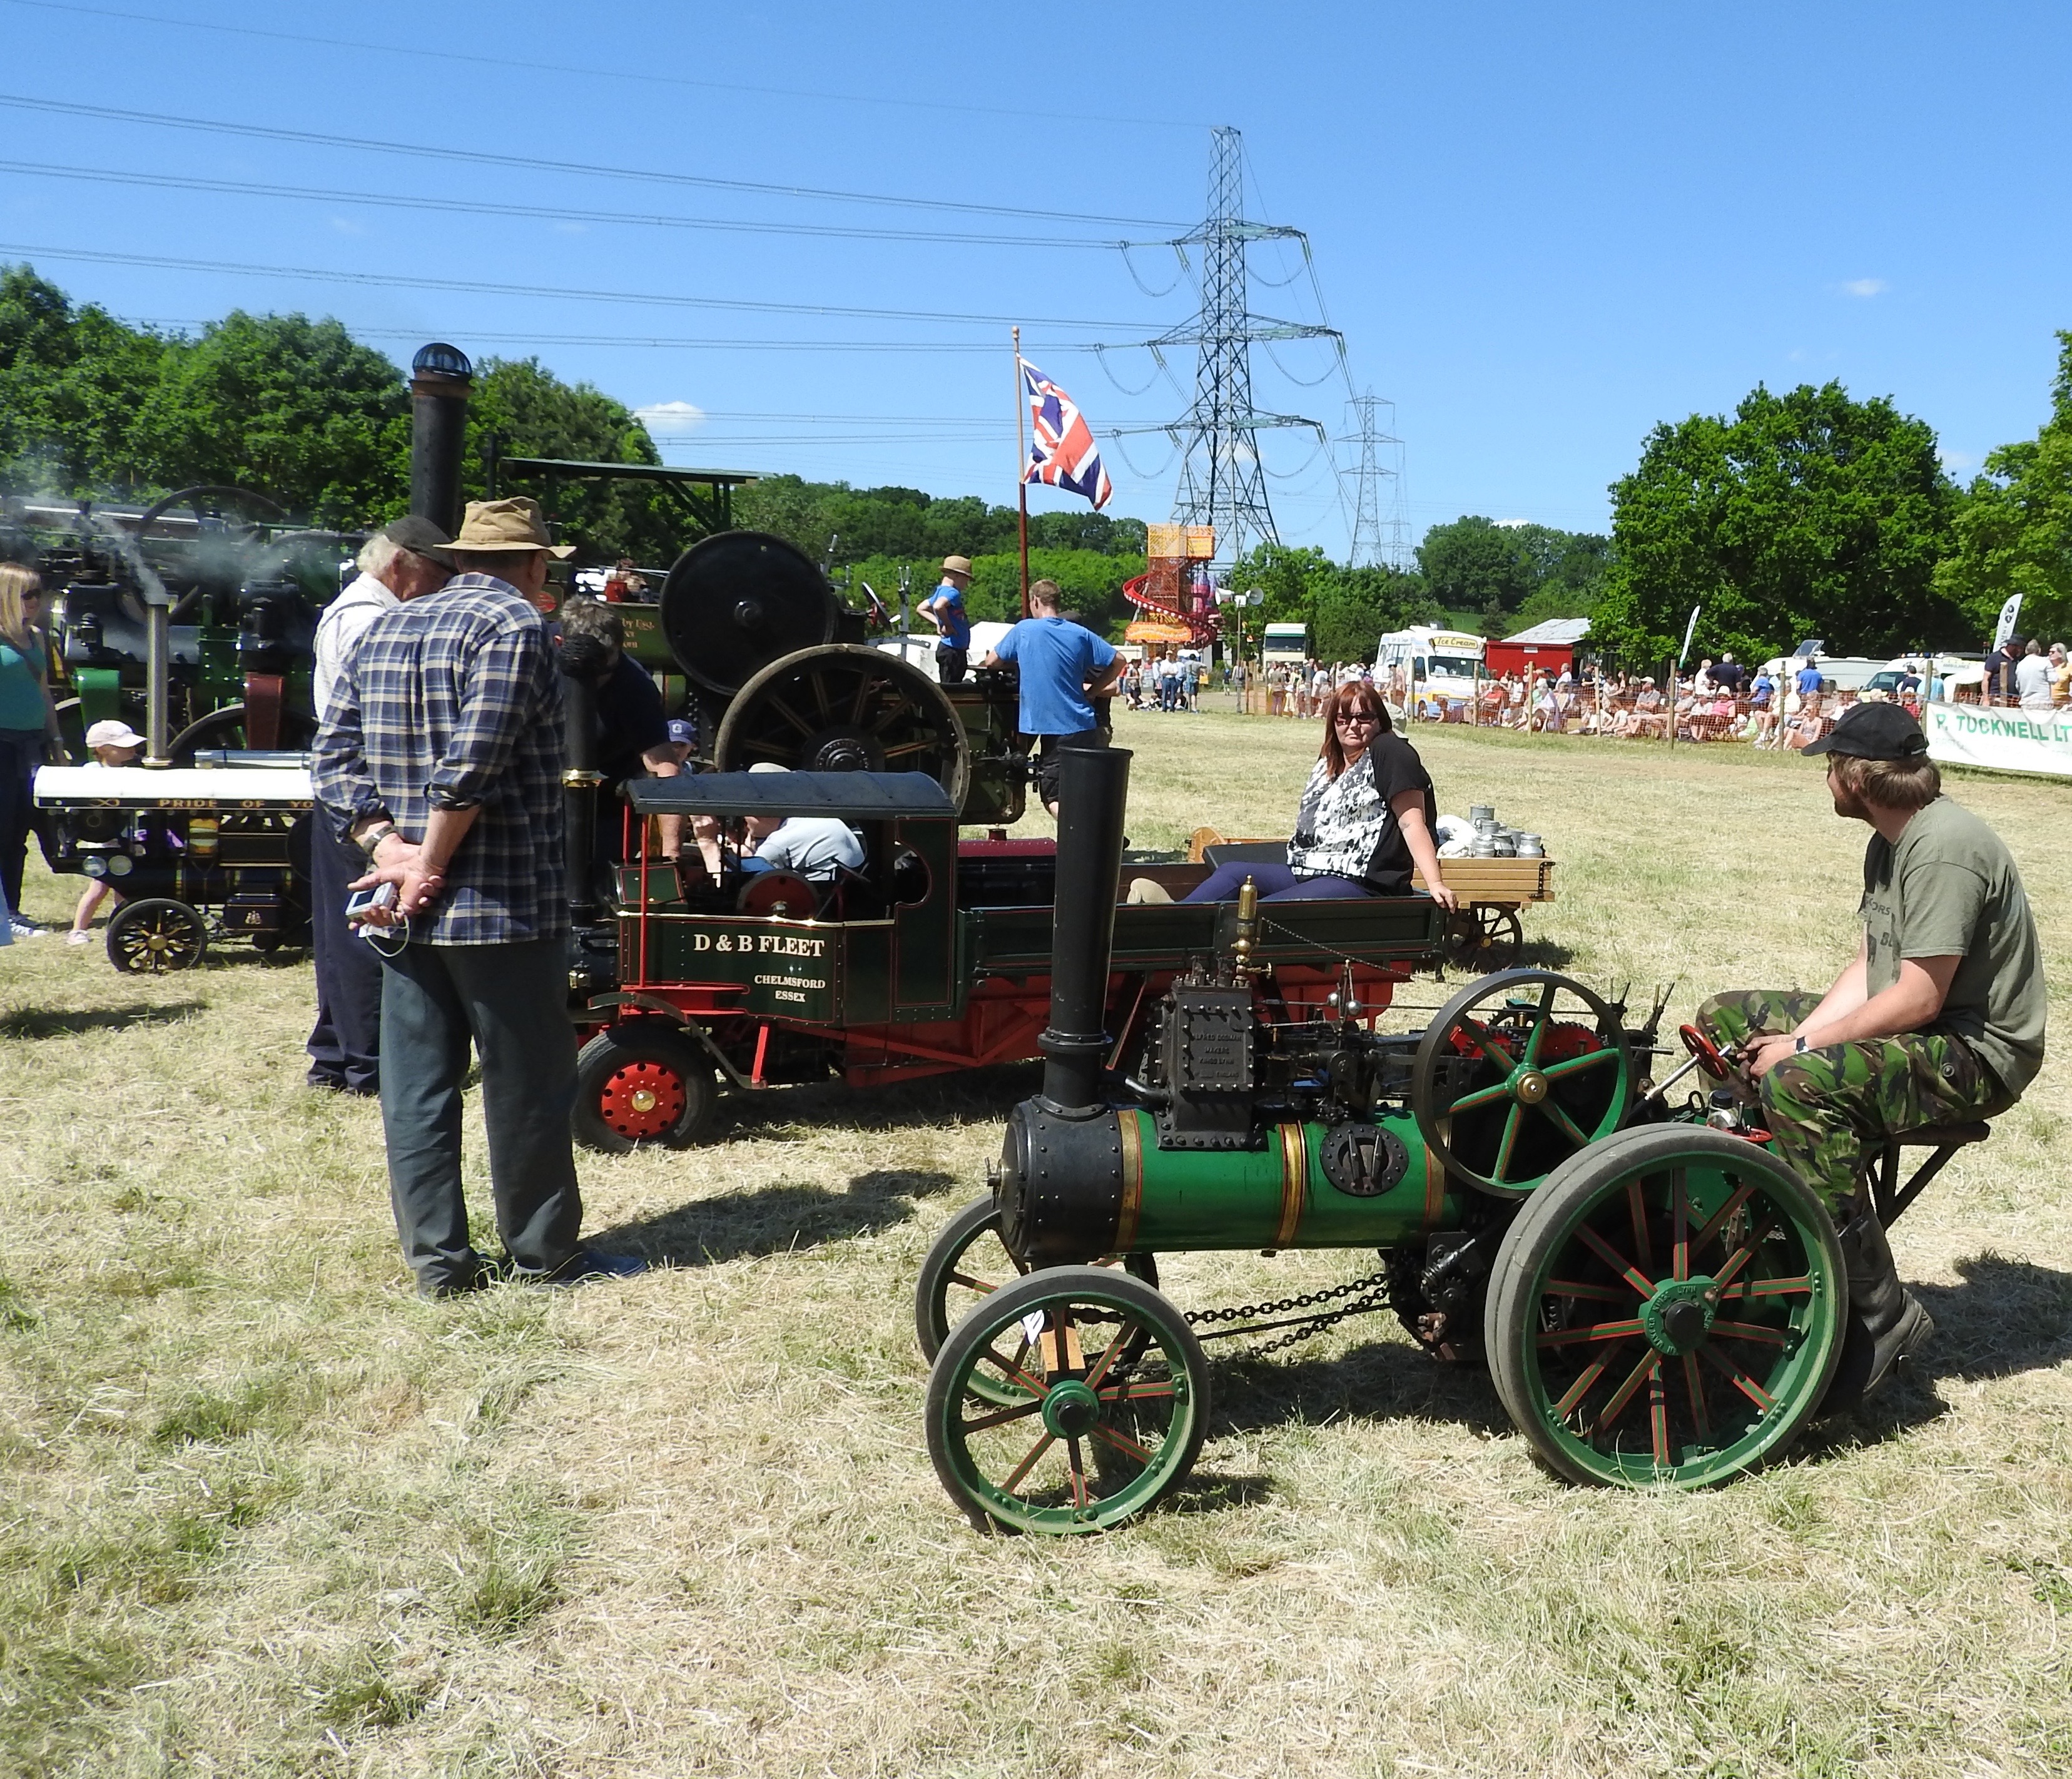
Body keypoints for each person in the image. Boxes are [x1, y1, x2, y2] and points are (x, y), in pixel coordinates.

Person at [313, 497, 644, 1299]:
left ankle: (439, 1267)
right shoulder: (517, 630)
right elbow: (474, 761)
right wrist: (422, 860)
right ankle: (541, 1256)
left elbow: (329, 757)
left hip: (402, 908)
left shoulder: (387, 624)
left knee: (418, 1090)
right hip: (500, 905)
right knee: (527, 1084)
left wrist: (384, 848)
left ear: (464, 556)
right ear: (536, 566)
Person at [1692, 702, 2044, 1411]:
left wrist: (1799, 1051)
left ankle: (1879, 1314)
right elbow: (1870, 963)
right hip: (1925, 1025)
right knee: (1726, 1018)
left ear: (1858, 777)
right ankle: (1760, 1226)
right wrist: (1795, 1037)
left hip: (1975, 1051)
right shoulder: (1890, 840)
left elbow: (1918, 998)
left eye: (1830, 766)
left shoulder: (1944, 847)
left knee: (1800, 1083)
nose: (1825, 779)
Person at [307, 519, 455, 1095]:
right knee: (369, 926)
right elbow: (370, 726)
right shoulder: (370, 622)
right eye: (438, 575)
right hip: (363, 795)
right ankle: (370, 1065)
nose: (443, 589)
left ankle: (335, 1059)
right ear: (401, 564)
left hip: (349, 791)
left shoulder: (355, 610)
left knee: (341, 931)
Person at [1187, 682, 1461, 908]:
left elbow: (1412, 822)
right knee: (1232, 874)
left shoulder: (1389, 751)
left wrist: (1435, 883)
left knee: (1267, 911)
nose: (1353, 725)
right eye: (1343, 718)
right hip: (1308, 867)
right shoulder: (1332, 756)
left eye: (1364, 717)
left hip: (1359, 880)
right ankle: (1166, 923)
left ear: (1379, 721)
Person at [556, 597, 681, 891]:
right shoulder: (536, 658)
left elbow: (664, 767)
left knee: (599, 890)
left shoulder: (634, 686)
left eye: (604, 671)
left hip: (606, 814)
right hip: (541, 804)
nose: (595, 681)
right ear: (560, 644)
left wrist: (671, 852)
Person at [977, 579, 1121, 815]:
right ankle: (1100, 836)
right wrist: (1093, 692)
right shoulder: (1080, 634)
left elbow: (992, 662)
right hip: (1082, 725)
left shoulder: (1024, 629)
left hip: (1054, 726)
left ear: (1035, 601)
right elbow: (1119, 661)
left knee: (1053, 795)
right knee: (1080, 789)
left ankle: (1087, 841)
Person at [0, 563, 65, 939]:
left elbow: (44, 694)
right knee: (2, 827)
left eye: (38, 593)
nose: (35, 601)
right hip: (1, 743)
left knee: (20, 828)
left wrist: (56, 742)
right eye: (27, 594)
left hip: (31, 742)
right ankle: (5, 913)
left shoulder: (37, 637)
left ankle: (13, 910)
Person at [63, 719, 147, 944]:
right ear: (102, 750)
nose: (132, 750)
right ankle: (78, 930)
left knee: (125, 886)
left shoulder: (130, 771)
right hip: (103, 840)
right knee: (99, 887)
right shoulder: (92, 772)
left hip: (125, 838)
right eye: (123, 746)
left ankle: (123, 925)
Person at [736, 761, 866, 881]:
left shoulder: (779, 843)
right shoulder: (819, 818)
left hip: (821, 902)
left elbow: (740, 886)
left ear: (760, 813)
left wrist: (716, 844)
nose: (744, 818)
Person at [918, 555, 973, 685]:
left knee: (949, 683)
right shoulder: (952, 592)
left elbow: (922, 608)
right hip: (953, 650)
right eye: (966, 580)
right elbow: (938, 606)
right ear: (956, 576)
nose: (966, 584)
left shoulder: (940, 591)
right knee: (951, 688)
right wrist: (947, 625)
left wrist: (939, 622)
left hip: (949, 649)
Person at [2014, 636, 2053, 709]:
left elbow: (2017, 686)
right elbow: (2054, 679)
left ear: (2026, 650)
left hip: (2025, 703)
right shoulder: (2045, 662)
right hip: (2043, 702)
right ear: (2039, 650)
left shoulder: (2020, 664)